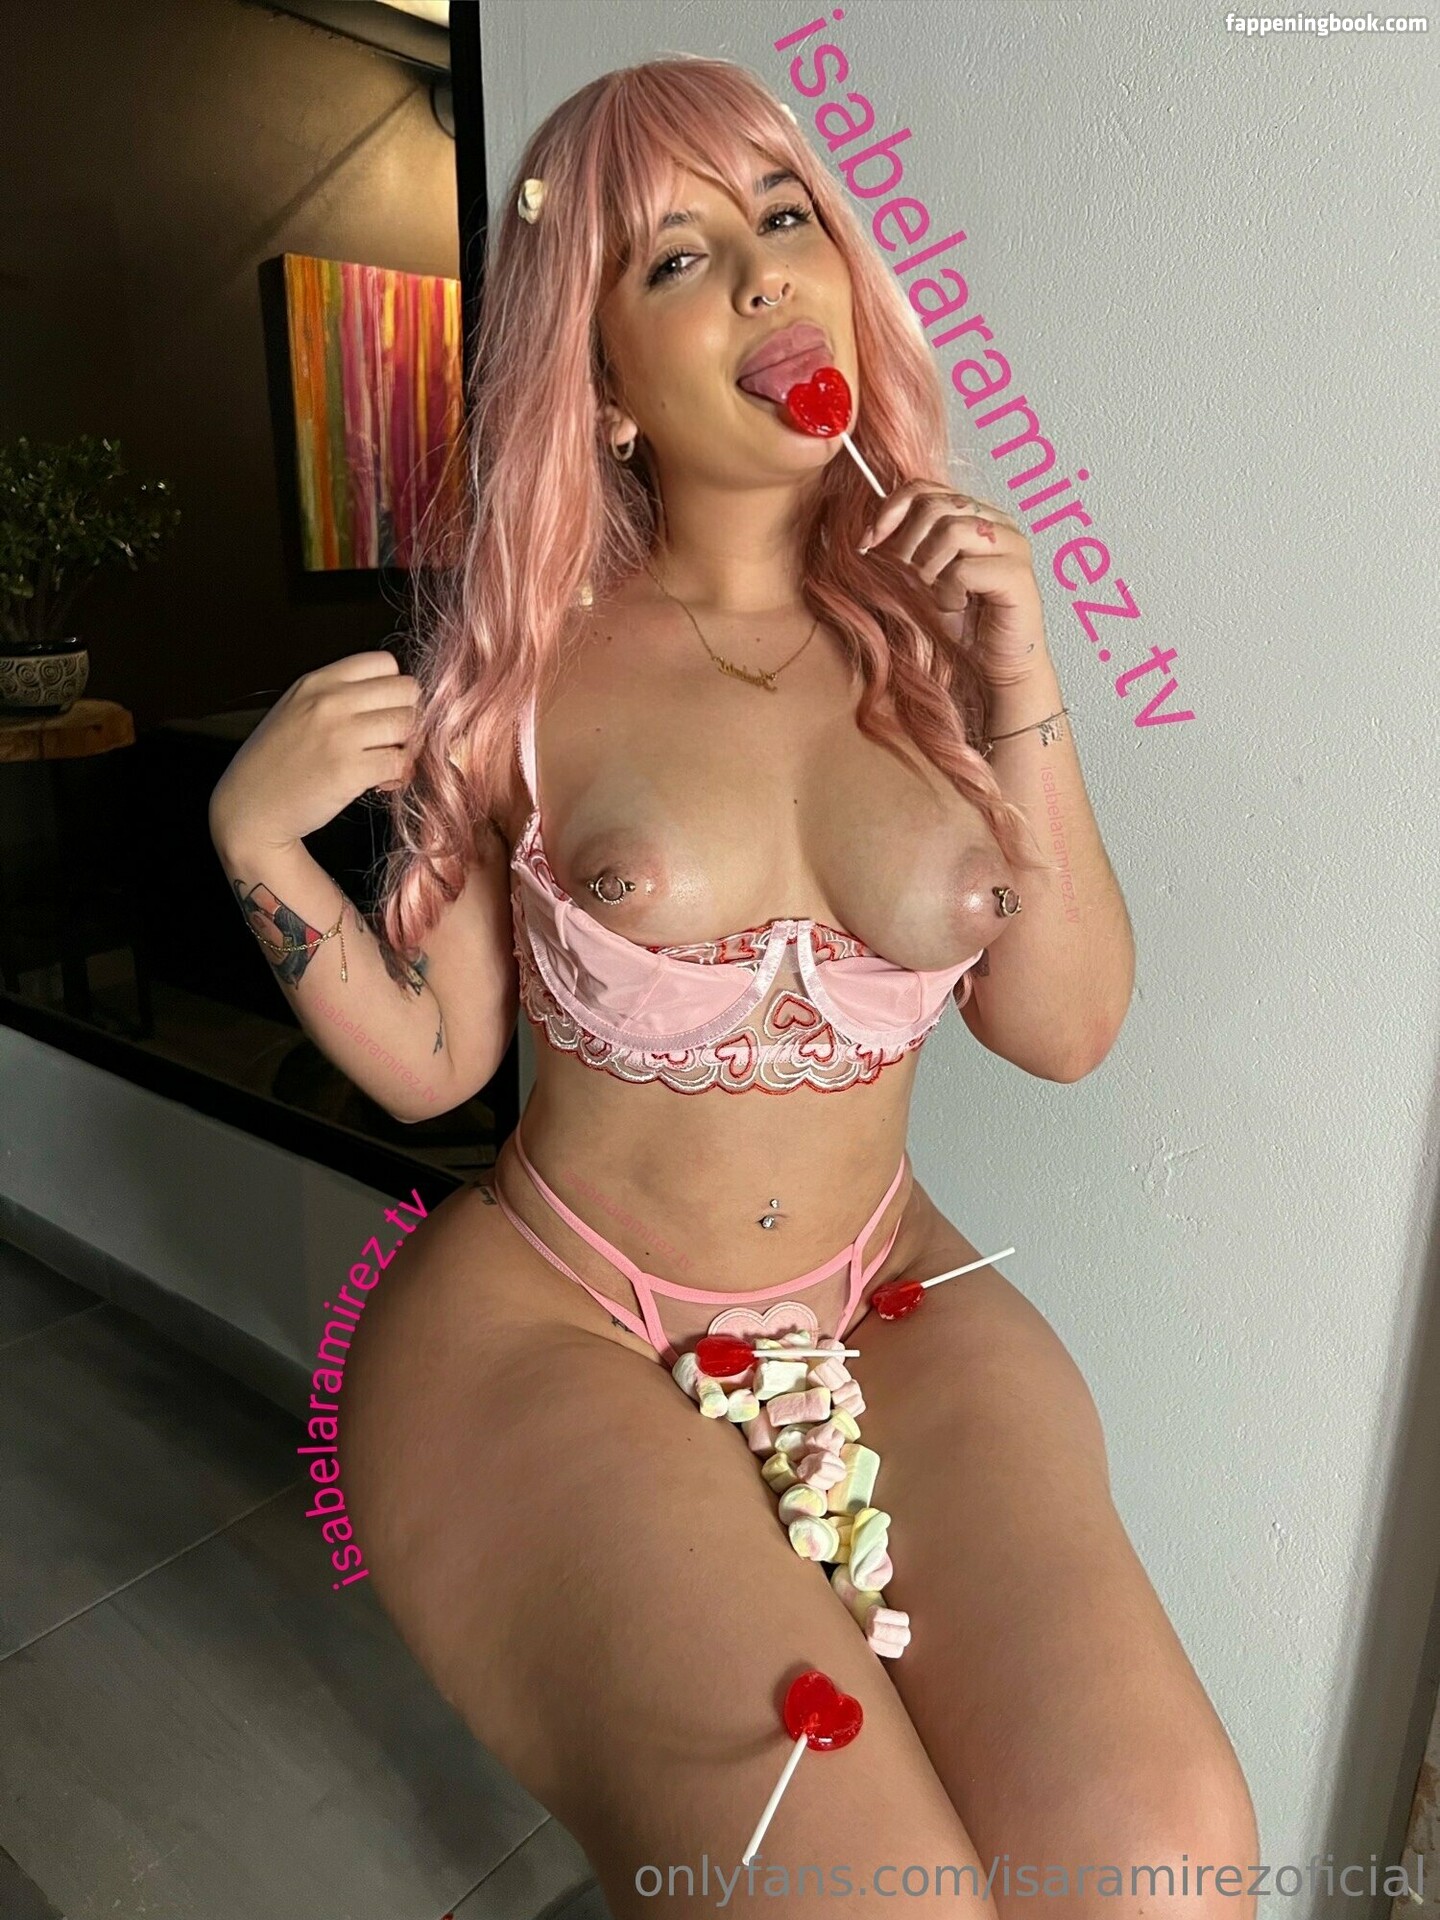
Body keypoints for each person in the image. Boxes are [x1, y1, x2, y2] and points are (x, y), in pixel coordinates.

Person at [208, 56, 1257, 1920]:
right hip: (557, 1320)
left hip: (882, 1292)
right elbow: (438, 1062)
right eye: (677, 258)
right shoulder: (522, 676)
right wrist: (256, 846)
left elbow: (1067, 1030)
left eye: (786, 219)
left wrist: (1024, 679)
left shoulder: (941, 648)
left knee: (1163, 1861)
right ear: (605, 386)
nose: (768, 272)